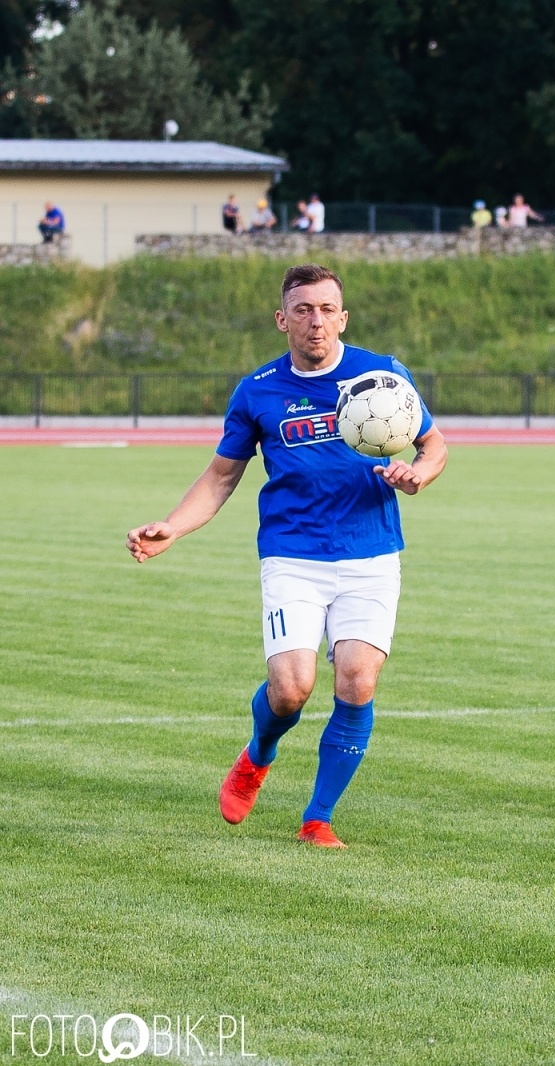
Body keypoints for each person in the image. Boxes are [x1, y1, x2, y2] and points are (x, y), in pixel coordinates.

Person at [125, 264, 448, 849]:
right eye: (303, 310)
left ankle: (317, 819)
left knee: (356, 681)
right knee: (292, 689)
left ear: (343, 317)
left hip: (370, 553)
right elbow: (222, 476)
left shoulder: (383, 375)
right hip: (292, 555)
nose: (316, 321)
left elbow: (433, 442)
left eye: (327, 309)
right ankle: (257, 754)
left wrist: (418, 473)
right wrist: (172, 526)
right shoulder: (258, 390)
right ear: (282, 319)